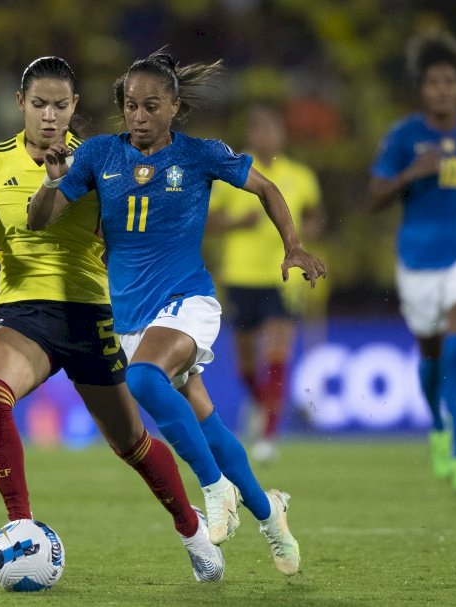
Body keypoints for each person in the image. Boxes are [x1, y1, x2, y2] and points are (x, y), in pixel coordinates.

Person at [0, 56, 224, 582]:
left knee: (131, 443)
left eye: (60, 105)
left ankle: (192, 528)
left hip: (91, 313)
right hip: (24, 311)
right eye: (39, 104)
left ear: (74, 106)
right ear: (20, 104)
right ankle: (21, 525)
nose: (49, 115)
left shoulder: (100, 159)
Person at [28, 49, 327, 577]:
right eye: (130, 106)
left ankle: (215, 490)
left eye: (151, 106)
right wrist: (52, 180)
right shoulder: (98, 154)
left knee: (143, 379)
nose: (139, 116)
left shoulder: (199, 155)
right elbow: (39, 220)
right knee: (206, 421)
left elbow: (265, 186)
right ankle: (270, 515)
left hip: (188, 300)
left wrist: (293, 245)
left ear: (174, 107)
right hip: (132, 317)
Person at [367, 32, 456, 491]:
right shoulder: (404, 137)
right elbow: (374, 197)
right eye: (434, 82)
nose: (443, 89)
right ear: (421, 90)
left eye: (450, 81)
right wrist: (412, 173)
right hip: (419, 258)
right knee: (430, 354)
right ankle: (438, 426)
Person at [208, 104, 325, 464]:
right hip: (240, 276)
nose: (265, 136)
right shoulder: (233, 172)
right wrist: (236, 224)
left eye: (271, 129)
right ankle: (264, 407)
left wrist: (306, 232)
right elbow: (207, 221)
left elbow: (315, 215)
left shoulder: (300, 177)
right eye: (258, 130)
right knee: (245, 367)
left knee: (276, 353)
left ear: (281, 135)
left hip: (282, 279)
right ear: (251, 135)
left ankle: (268, 436)